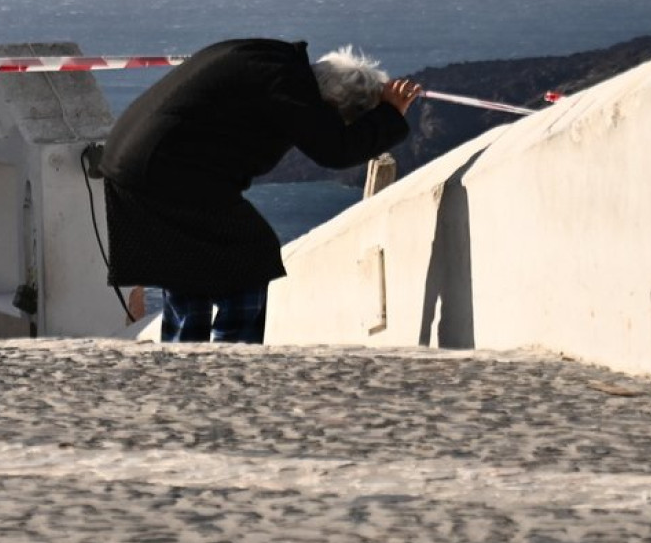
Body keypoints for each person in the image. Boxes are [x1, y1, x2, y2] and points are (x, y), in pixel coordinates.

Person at [99, 38, 421, 343]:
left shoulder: (278, 62)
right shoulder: (288, 86)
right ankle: (234, 355)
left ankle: (184, 360)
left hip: (131, 160)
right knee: (252, 257)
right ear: (333, 103)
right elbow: (336, 149)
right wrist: (390, 114)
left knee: (186, 269)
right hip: (166, 169)